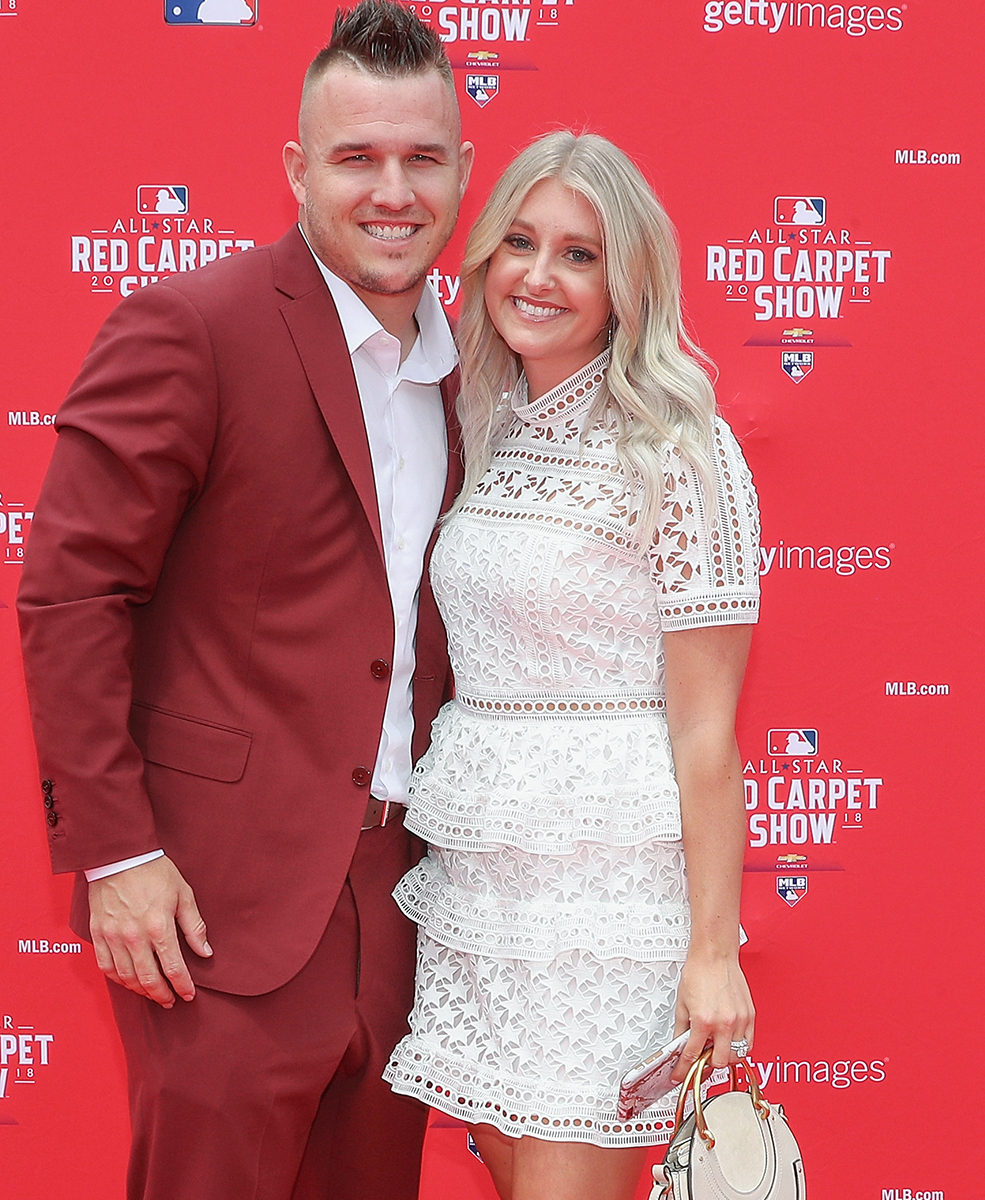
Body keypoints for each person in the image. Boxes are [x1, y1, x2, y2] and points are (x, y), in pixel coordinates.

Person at [16, 5, 473, 1199]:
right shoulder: (195, 326)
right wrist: (118, 852)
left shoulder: (475, 374)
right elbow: (73, 592)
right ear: (297, 169)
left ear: (463, 172)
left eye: (422, 158)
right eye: (356, 157)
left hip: (402, 907)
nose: (392, 191)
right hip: (216, 911)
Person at [383, 132, 760, 1200]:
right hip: (484, 888)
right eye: (520, 242)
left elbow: (705, 735)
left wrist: (714, 953)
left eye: (579, 255)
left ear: (626, 280)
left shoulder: (684, 452)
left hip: (608, 900)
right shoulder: (475, 425)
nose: (538, 277)